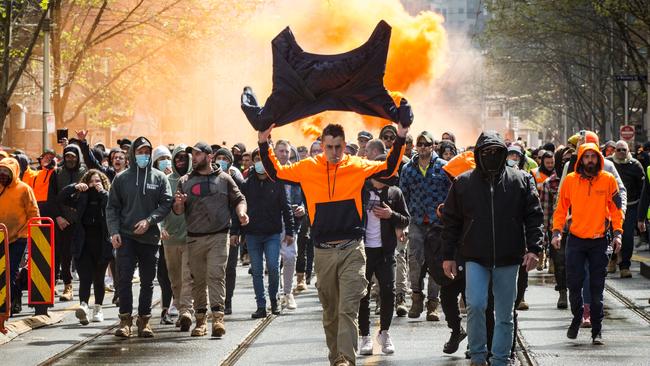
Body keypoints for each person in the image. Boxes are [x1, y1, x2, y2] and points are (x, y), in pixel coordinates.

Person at [257, 121, 408, 366]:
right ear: (323, 146)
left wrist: (401, 136)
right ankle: (336, 357)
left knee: (348, 307)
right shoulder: (308, 167)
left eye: (339, 147)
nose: (335, 152)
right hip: (323, 251)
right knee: (331, 312)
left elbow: (389, 168)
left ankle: (345, 359)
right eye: (330, 147)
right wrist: (264, 142)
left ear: (344, 145)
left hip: (352, 249)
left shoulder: (357, 165)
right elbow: (275, 172)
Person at [442, 131, 543, 366]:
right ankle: (478, 356)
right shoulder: (463, 183)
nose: (491, 156)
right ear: (478, 155)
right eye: (486, 152)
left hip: (509, 257)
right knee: (475, 305)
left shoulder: (521, 180)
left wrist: (535, 249)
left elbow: (534, 217)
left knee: (505, 314)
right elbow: (451, 222)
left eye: (496, 152)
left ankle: (500, 359)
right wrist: (448, 256)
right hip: (474, 257)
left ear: (504, 153)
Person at [173, 142, 247, 338]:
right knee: (198, 280)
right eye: (193, 154)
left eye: (198, 154)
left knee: (216, 275)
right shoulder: (185, 180)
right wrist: (179, 204)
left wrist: (241, 214)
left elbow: (239, 199)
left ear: (209, 157)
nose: (194, 158)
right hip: (195, 238)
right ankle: (200, 321)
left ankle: (218, 318)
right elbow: (178, 210)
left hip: (219, 235)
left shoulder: (225, 179)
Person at [552, 142, 623, 345]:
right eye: (586, 157)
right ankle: (576, 318)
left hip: (599, 241)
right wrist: (556, 232)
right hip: (575, 240)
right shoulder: (571, 181)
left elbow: (616, 209)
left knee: (596, 288)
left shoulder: (608, 180)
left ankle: (597, 330)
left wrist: (618, 233)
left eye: (593, 156)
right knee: (574, 284)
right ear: (581, 159)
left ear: (598, 159)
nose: (590, 160)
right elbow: (560, 209)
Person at [106, 136, 173, 338]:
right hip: (126, 237)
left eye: (146, 152)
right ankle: (125, 320)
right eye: (140, 152)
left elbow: (166, 203)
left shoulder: (159, 177)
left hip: (150, 238)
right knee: (124, 279)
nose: (143, 155)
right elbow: (112, 207)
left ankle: (144, 320)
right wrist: (114, 231)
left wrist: (150, 221)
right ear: (133, 154)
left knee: (147, 281)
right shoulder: (122, 178)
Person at [231, 148, 294, 318]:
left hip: (272, 234)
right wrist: (235, 232)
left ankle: (274, 299)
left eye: (262, 159)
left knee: (273, 267)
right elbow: (238, 207)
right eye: (256, 159)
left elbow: (286, 208)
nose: (259, 162)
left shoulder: (277, 182)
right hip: (252, 235)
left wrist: (290, 231)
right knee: (257, 271)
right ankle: (261, 304)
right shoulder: (246, 184)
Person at [358, 165, 409, 356]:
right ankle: (365, 335)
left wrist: (391, 215)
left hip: (386, 251)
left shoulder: (394, 193)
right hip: (363, 251)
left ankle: (384, 332)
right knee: (363, 293)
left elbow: (405, 219)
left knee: (389, 292)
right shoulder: (361, 190)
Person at [400, 131, 449, 321]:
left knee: (436, 262)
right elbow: (403, 196)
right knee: (415, 260)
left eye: (426, 144)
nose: (422, 147)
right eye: (419, 144)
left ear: (433, 146)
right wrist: (403, 221)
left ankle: (433, 304)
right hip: (416, 221)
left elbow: (452, 193)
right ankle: (416, 298)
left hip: (437, 224)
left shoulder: (444, 168)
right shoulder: (408, 169)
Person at [58, 169, 113, 325]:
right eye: (91, 181)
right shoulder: (81, 197)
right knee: (85, 278)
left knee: (99, 278)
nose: (94, 184)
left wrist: (102, 191)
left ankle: (98, 309)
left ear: (103, 183)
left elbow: (112, 203)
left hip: (102, 243)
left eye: (97, 181)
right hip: (83, 243)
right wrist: (75, 186)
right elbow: (62, 197)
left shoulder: (106, 196)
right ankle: (83, 306)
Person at [161, 145, 194, 331]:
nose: (181, 161)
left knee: (187, 277)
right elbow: (158, 207)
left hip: (190, 238)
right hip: (170, 239)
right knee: (175, 280)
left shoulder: (193, 179)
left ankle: (185, 313)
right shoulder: (165, 180)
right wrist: (160, 227)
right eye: (177, 158)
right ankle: (181, 308)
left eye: (184, 158)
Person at [0, 157, 39, 316]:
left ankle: (9, 303)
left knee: (11, 269)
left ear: (14, 173)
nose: (2, 174)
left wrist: (33, 234)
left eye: (6, 172)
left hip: (19, 236)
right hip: (1, 235)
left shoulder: (24, 189)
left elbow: (33, 212)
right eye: (0, 171)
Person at [49, 143, 87, 302]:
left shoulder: (85, 172)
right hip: (63, 220)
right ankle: (67, 285)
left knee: (83, 253)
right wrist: (58, 217)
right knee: (64, 253)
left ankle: (87, 287)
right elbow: (52, 198)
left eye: (73, 156)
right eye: (67, 156)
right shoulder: (57, 173)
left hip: (82, 219)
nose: (70, 159)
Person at [540, 147, 573, 309]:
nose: (568, 163)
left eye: (571, 159)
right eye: (564, 160)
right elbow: (545, 211)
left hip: (582, 229)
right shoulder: (550, 183)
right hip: (558, 230)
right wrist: (544, 237)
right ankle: (562, 292)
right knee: (560, 264)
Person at [273, 140, 304, 309]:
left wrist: (302, 208)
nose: (284, 154)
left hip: (291, 223)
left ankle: (288, 292)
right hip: (272, 222)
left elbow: (305, 195)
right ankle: (275, 293)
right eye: (281, 151)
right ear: (275, 152)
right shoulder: (270, 172)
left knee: (291, 257)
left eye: (287, 152)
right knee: (272, 260)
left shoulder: (296, 172)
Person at [214, 147, 245, 315]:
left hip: (231, 231)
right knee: (214, 267)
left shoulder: (236, 180)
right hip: (213, 230)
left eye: (224, 158)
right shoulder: (210, 178)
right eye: (218, 158)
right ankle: (216, 300)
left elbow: (241, 204)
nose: (221, 161)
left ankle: (227, 300)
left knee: (230, 267)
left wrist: (237, 231)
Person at [606, 140, 644, 279]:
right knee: (610, 233)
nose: (621, 152)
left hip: (630, 206)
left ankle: (625, 266)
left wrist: (642, 210)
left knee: (627, 236)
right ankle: (613, 258)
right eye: (618, 149)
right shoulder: (608, 164)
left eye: (624, 150)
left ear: (628, 151)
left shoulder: (636, 165)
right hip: (611, 207)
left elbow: (643, 188)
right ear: (615, 151)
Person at [152, 145, 175, 324]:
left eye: (167, 158)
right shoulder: (152, 180)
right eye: (161, 159)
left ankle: (181, 307)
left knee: (180, 275)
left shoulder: (180, 179)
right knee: (164, 276)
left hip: (179, 235)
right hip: (159, 237)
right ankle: (165, 311)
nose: (165, 162)